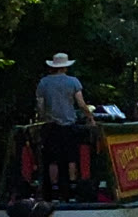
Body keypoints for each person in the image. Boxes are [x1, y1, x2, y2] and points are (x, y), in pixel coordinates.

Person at [35, 53, 96, 198]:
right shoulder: (73, 82)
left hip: (50, 126)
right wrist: (90, 118)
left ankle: (53, 187)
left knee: (53, 158)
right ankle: (71, 186)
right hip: (69, 125)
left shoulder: (43, 83)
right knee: (71, 157)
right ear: (65, 67)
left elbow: (40, 106)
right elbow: (81, 104)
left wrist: (43, 119)